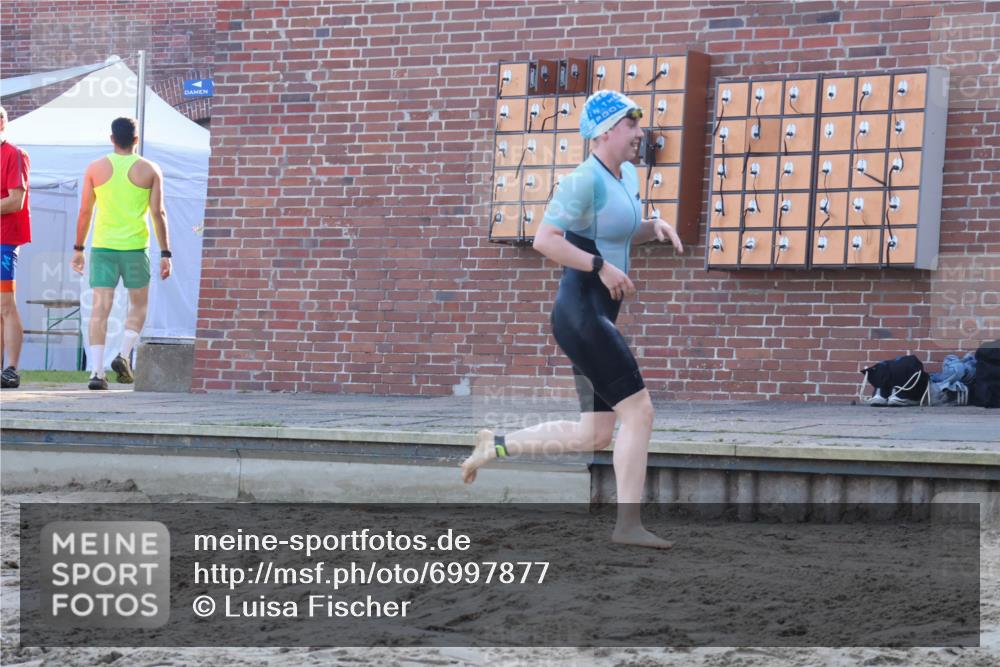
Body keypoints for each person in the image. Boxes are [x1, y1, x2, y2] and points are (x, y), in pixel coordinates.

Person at [461, 90, 684, 549]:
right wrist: (600, 266)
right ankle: (628, 526)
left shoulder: (627, 176)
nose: (640, 133)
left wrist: (652, 228)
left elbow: (616, 234)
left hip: (598, 313)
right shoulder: (583, 180)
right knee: (639, 412)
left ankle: (494, 444)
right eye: (631, 125)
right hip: (581, 313)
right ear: (605, 132)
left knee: (596, 433)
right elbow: (546, 239)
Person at [71, 117, 171, 390]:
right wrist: (166, 252)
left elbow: (85, 212)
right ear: (136, 140)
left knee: (100, 309)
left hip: (103, 247)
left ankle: (96, 373)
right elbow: (158, 213)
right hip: (135, 248)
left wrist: (78, 248)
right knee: (138, 305)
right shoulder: (150, 169)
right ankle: (124, 354)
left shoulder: (95, 168)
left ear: (112, 138)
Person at [0, 105, 31, 389]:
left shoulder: (14, 154)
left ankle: (11, 368)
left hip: (5, 241)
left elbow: (15, 200)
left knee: (5, 305)